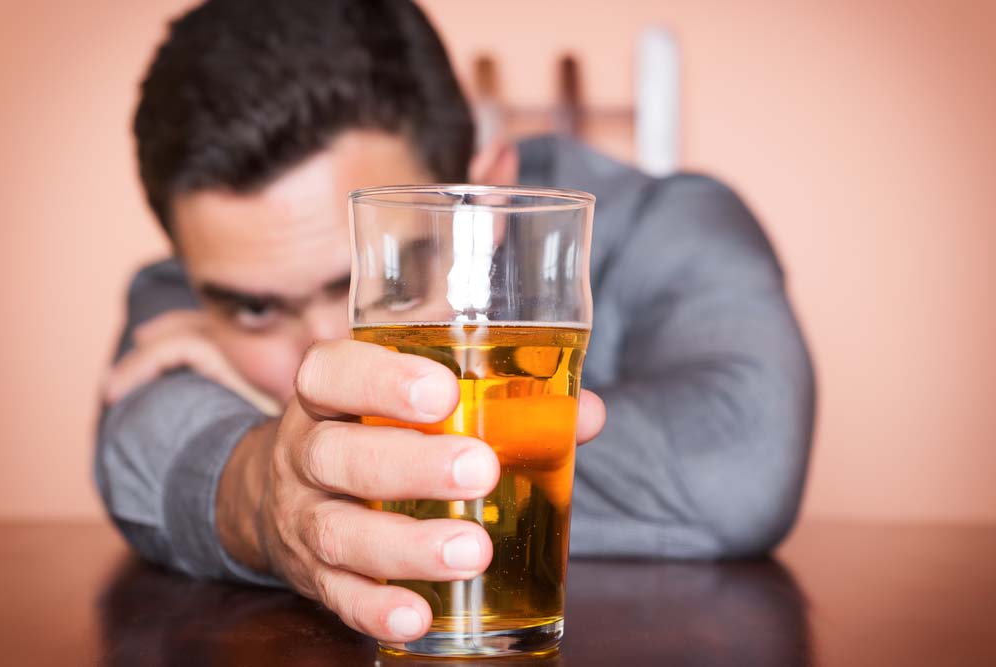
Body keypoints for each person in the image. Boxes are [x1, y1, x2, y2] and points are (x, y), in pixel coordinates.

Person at [96, 0, 815, 645]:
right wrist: (267, 488)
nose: (330, 354)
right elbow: (134, 439)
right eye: (255, 310)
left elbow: (738, 466)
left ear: (485, 191)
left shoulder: (676, 223)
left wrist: (315, 457)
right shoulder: (201, 270)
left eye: (376, 280)